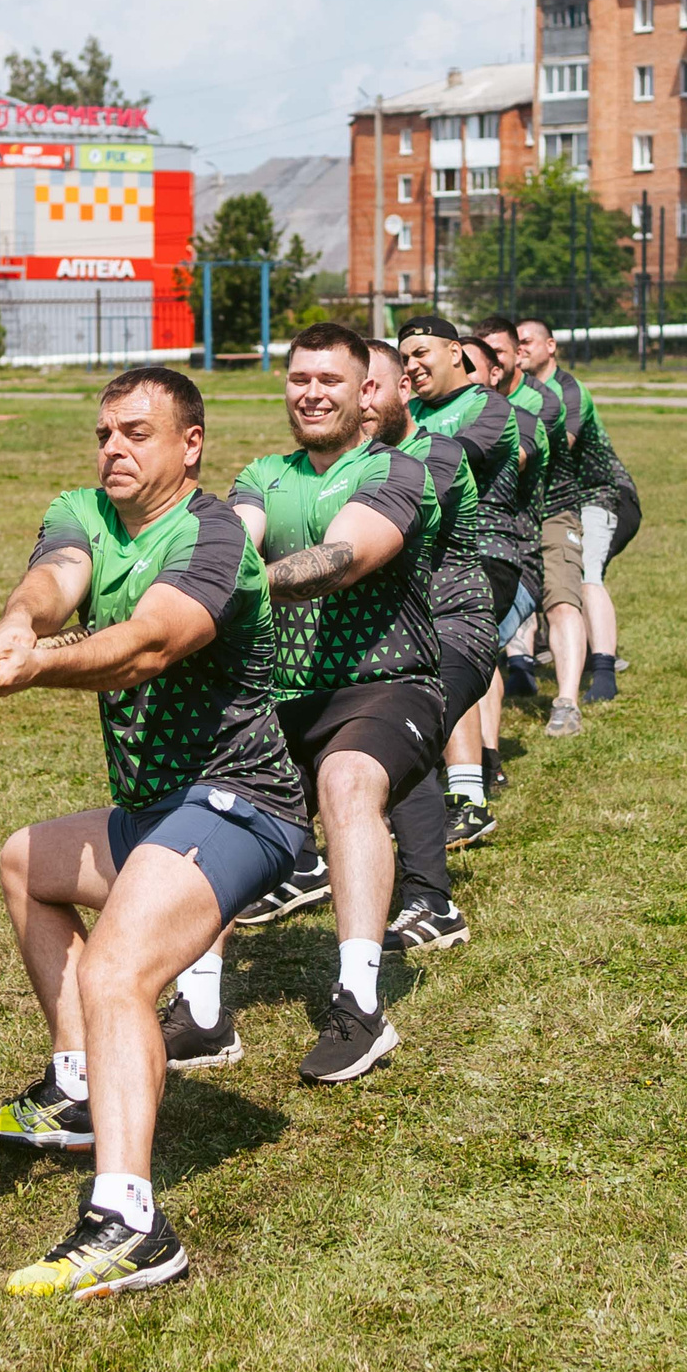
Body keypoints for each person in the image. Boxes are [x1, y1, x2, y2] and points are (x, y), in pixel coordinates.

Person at [0, 365, 308, 1298]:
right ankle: (78, 1086)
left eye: (138, 433)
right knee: (24, 863)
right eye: (106, 432)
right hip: (153, 810)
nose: (115, 448)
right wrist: (16, 624)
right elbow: (56, 576)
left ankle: (131, 1223)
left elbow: (149, 644)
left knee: (118, 968)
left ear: (190, 444)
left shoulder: (210, 538)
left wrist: (40, 668)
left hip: (241, 802)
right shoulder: (84, 508)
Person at [206, 322, 442, 1082]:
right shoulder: (261, 475)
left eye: (329, 381)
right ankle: (202, 1012)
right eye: (299, 379)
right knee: (208, 807)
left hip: (388, 681)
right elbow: (236, 544)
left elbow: (340, 559)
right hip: (281, 696)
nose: (311, 393)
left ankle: (359, 1003)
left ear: (363, 390)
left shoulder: (397, 471)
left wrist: (234, 589)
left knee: (346, 782)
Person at [360, 337, 483, 950]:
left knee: (398, 736)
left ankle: (433, 905)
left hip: (453, 625)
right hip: (384, 636)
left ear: (404, 389)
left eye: (371, 387)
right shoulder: (342, 462)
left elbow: (373, 538)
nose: (358, 402)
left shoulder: (434, 455)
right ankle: (299, 864)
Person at [395, 316, 519, 849]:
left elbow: (453, 458)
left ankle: (468, 797)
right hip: (422, 554)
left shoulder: (490, 408)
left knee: (449, 646)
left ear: (455, 353)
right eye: (403, 359)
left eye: (421, 352)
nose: (412, 366)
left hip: (487, 551)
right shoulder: (410, 414)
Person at [515, 319, 642, 735]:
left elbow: (554, 447)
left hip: (603, 496)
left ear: (550, 346)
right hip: (557, 500)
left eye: (526, 342)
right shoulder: (518, 394)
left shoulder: (567, 391)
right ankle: (525, 661)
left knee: (587, 572)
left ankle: (603, 670)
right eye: (513, 344)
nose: (519, 350)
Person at [471, 316, 558, 785]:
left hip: (514, 561)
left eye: (491, 356)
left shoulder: (521, 417)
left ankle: (485, 762)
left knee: (473, 645)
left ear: (497, 372)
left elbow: (518, 455)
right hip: (458, 559)